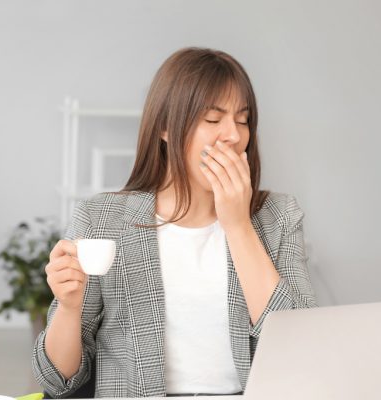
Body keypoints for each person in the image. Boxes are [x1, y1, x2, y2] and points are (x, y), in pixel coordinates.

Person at [32, 47, 317, 398]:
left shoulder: (279, 215)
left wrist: (239, 225)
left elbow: (303, 347)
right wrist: (70, 308)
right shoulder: (100, 219)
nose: (233, 135)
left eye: (243, 120)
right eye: (213, 119)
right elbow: (58, 382)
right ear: (165, 126)